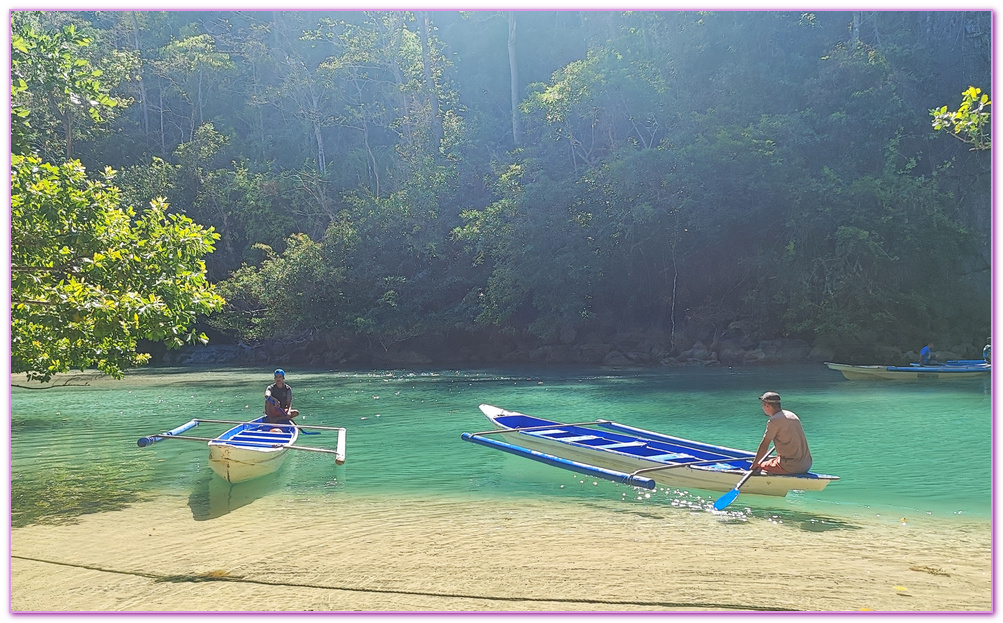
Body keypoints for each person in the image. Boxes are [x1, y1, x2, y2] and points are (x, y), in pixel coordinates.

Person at [749, 392, 812, 475]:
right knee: (773, 459)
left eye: (762, 404)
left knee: (760, 466)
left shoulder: (774, 421)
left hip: (791, 466)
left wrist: (755, 464)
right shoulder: (791, 415)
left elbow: (764, 445)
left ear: (767, 405)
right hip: (807, 464)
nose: (762, 407)